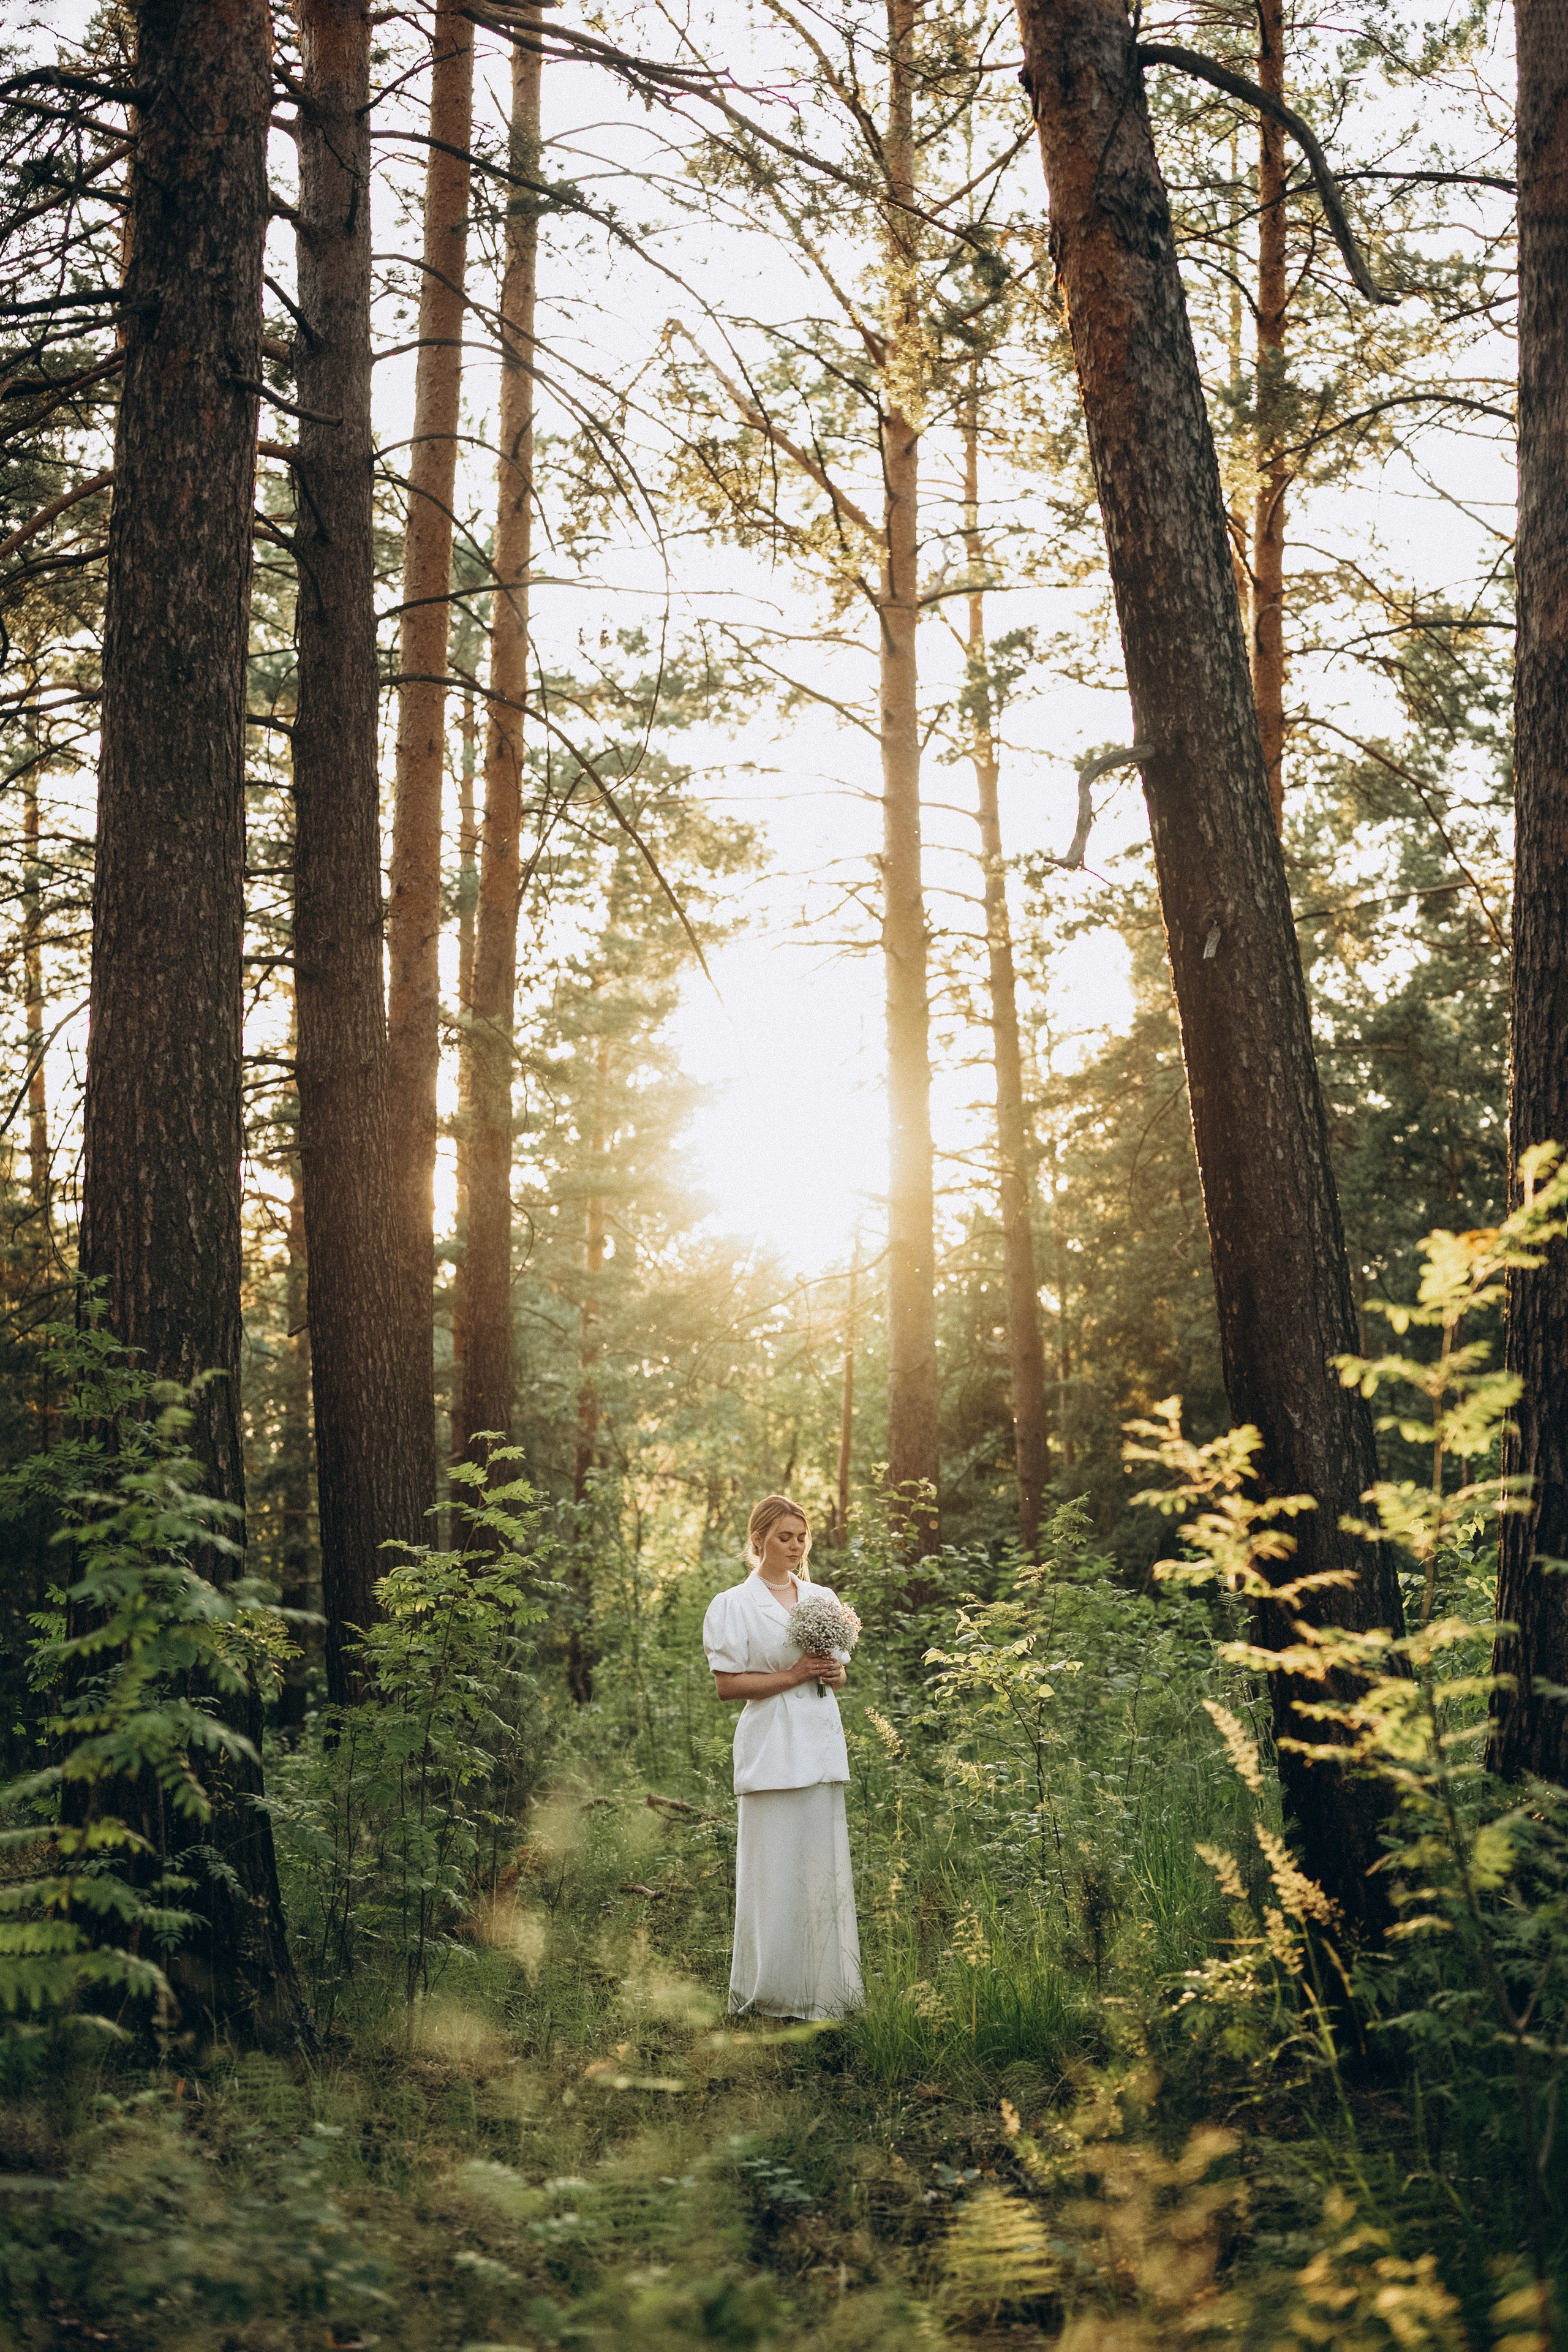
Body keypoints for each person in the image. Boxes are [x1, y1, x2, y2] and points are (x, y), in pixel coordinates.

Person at [701, 1494, 863, 2020]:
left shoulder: (821, 1598)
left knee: (821, 1871)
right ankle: (769, 1993)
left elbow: (838, 1671)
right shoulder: (734, 1604)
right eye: (783, 1538)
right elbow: (728, 1686)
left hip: (819, 1742)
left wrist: (835, 1673)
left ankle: (825, 1993)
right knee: (773, 1874)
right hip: (770, 1746)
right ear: (759, 1541)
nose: (795, 1547)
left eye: (801, 1537)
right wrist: (793, 1675)